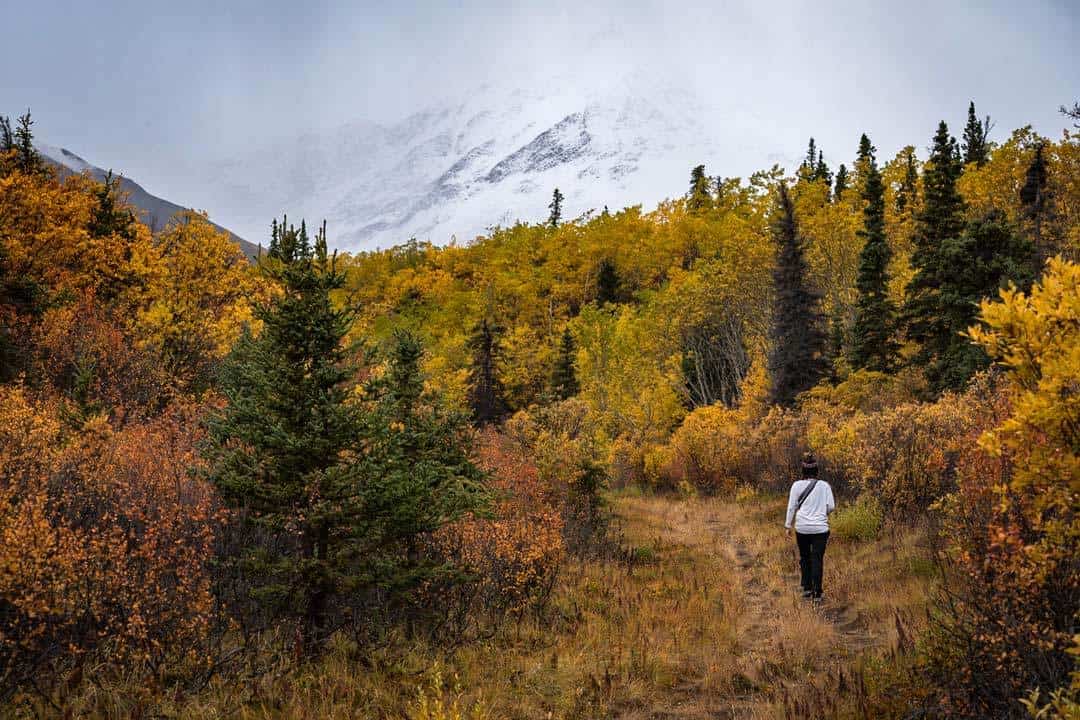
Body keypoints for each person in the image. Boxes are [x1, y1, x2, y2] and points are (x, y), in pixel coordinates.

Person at [784, 453, 835, 601]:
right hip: (820, 529)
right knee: (817, 558)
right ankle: (817, 593)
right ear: (817, 471)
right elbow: (831, 506)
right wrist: (821, 513)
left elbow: (791, 507)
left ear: (803, 471)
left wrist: (788, 525)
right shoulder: (824, 486)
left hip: (802, 528)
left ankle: (807, 588)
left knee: (805, 557)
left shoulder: (796, 486)